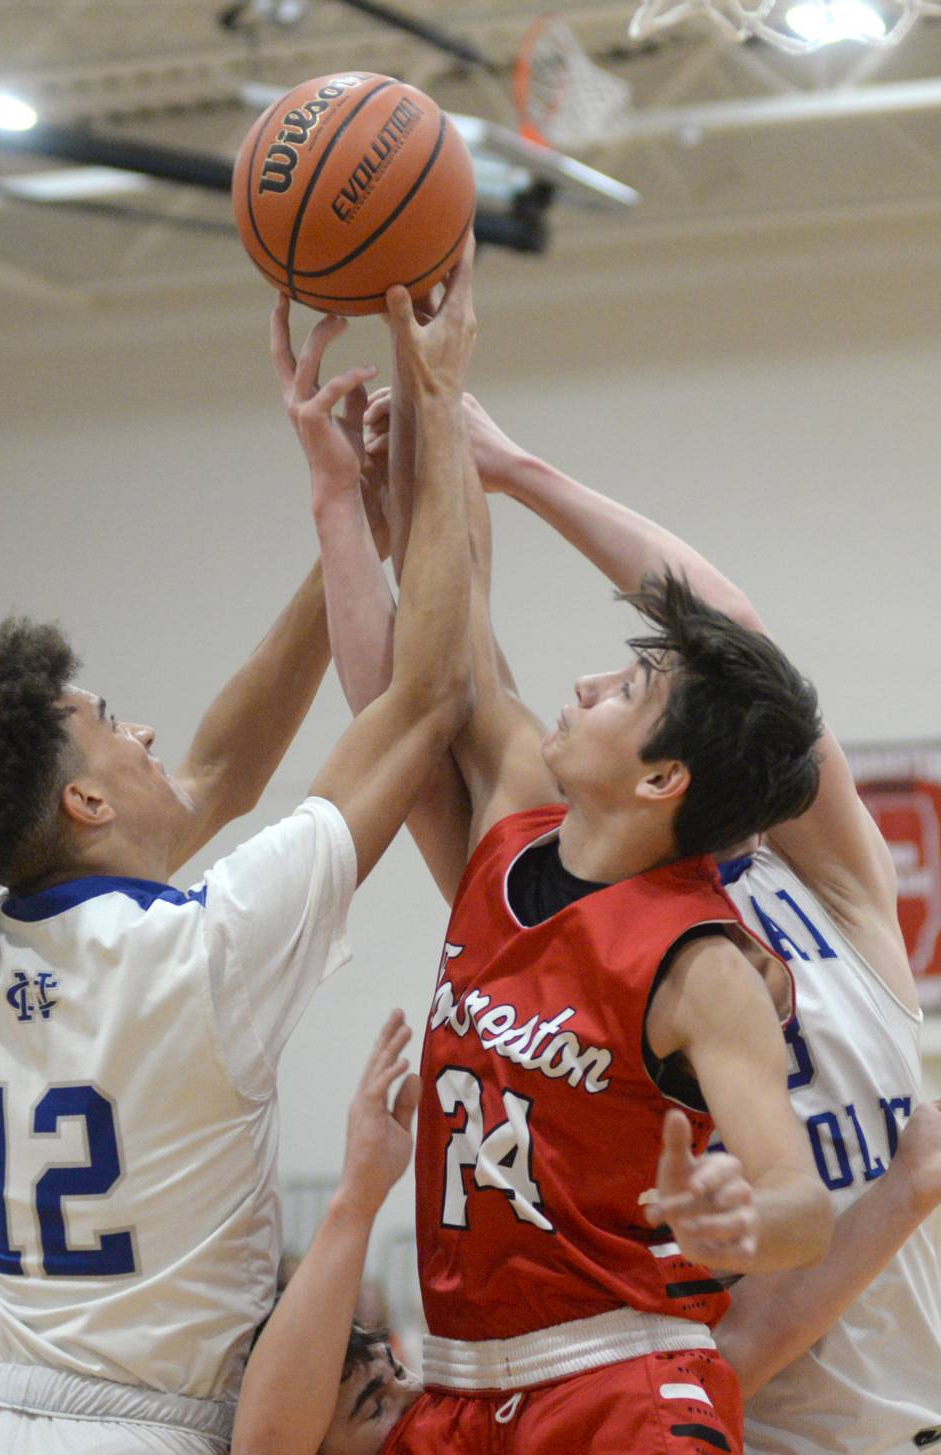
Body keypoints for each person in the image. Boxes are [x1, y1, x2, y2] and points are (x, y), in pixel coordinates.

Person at [0, 256, 477, 1455]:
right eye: (110, 721)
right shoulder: (210, 950)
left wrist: (338, 519)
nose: (145, 731)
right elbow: (428, 701)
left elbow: (219, 776)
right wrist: (437, 419)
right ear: (86, 797)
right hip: (133, 1434)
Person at [393, 394, 941, 1453]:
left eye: (632, 683)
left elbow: (737, 635)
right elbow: (446, 679)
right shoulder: (577, 915)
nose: (593, 691)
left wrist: (516, 470)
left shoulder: (834, 896)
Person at [310, 349, 836, 1452]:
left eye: (631, 688)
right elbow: (441, 646)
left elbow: (800, 1200)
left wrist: (750, 1217)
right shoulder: (511, 825)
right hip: (454, 1389)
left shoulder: (703, 965)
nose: (592, 683)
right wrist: (426, 408)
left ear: (662, 780)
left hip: (619, 1386)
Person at [230, 1024, 941, 1455]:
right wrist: (359, 1194)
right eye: (373, 1406)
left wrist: (907, 1187)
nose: (409, 1396)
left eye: (396, 1377)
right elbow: (270, 1441)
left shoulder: (504, 1396)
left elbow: (745, 1342)